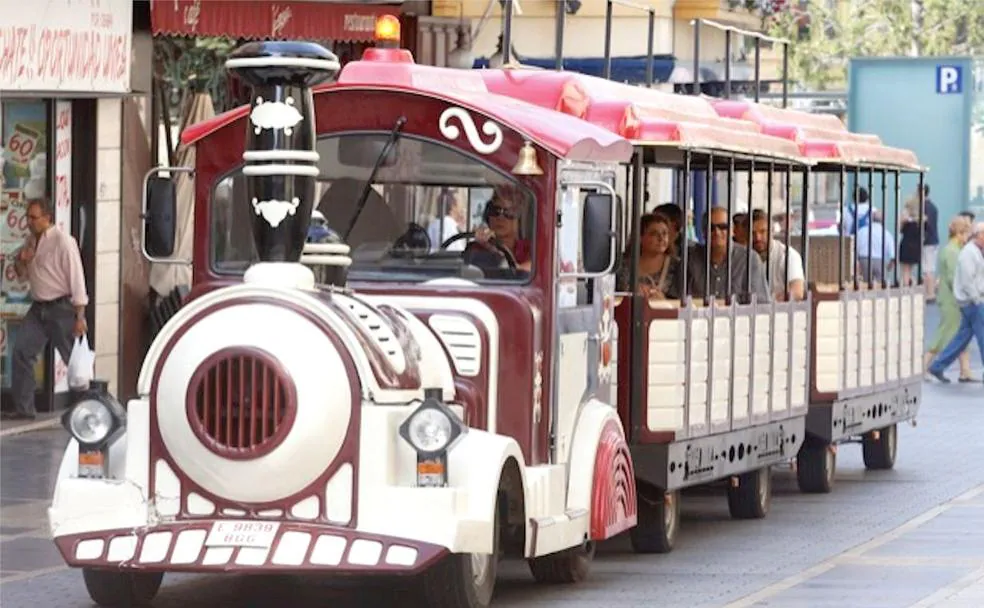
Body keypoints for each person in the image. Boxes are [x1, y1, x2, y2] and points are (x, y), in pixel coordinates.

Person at [7, 199, 89, 421]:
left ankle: (87, 408)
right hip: (39, 307)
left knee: (73, 359)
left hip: (61, 306)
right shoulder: (31, 242)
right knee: (22, 352)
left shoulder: (63, 242)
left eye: (34, 218)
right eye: (28, 217)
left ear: (47, 217)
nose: (30, 222)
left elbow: (77, 278)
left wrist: (80, 315)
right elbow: (22, 276)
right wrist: (22, 260)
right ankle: (24, 408)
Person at [926, 221, 984, 384]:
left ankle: (937, 366)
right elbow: (966, 281)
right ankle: (937, 366)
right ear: (980, 235)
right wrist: (977, 299)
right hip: (973, 302)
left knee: (962, 338)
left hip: (970, 301)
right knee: (982, 336)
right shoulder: (969, 253)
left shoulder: (974, 252)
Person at [687, 206, 770, 302]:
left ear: (732, 230)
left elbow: (760, 304)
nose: (717, 232)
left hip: (738, 317)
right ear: (703, 232)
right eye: (711, 228)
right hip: (697, 317)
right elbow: (676, 300)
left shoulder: (750, 260)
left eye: (723, 227)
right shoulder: (691, 258)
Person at [734, 208, 805, 300]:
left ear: (772, 231)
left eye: (763, 231)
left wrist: (767, 303)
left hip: (780, 312)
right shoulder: (741, 257)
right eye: (752, 233)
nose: (757, 237)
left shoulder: (787, 255)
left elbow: (797, 292)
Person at [616, 213, 682, 300]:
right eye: (654, 234)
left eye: (665, 233)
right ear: (639, 237)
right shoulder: (620, 264)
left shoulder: (678, 267)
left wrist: (663, 300)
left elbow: (683, 303)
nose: (661, 238)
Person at [467, 186, 532, 272]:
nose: (500, 218)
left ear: (519, 220)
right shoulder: (475, 248)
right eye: (495, 211)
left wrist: (496, 252)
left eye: (509, 212)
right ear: (488, 215)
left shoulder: (529, 249)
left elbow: (522, 273)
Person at [899, 185, 940, 297]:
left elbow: (902, 229)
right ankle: (929, 293)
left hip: (925, 242)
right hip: (931, 240)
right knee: (928, 269)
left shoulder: (922, 209)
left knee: (925, 270)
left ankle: (928, 293)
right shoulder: (933, 207)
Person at [855, 208, 896, 285]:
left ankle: (866, 296)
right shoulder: (887, 234)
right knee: (880, 285)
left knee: (865, 284)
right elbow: (892, 255)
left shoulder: (861, 231)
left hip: (864, 260)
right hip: (880, 261)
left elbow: (855, 248)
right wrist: (889, 267)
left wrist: (857, 262)